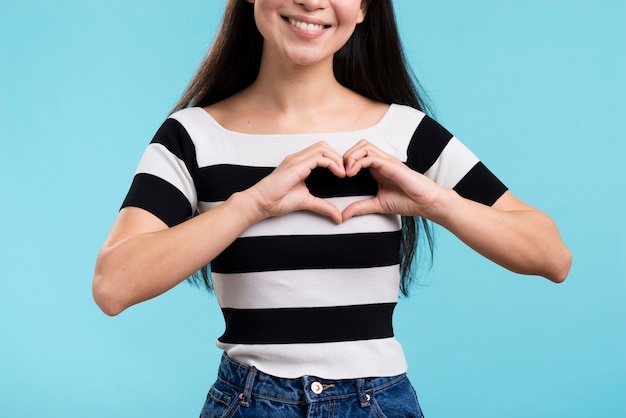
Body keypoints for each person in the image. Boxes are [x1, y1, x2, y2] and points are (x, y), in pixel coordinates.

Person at [93, 0, 572, 416]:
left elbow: (551, 255)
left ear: (364, 7)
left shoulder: (403, 132)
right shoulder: (192, 137)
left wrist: (434, 201)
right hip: (249, 402)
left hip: (378, 402)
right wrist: (253, 203)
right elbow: (114, 285)